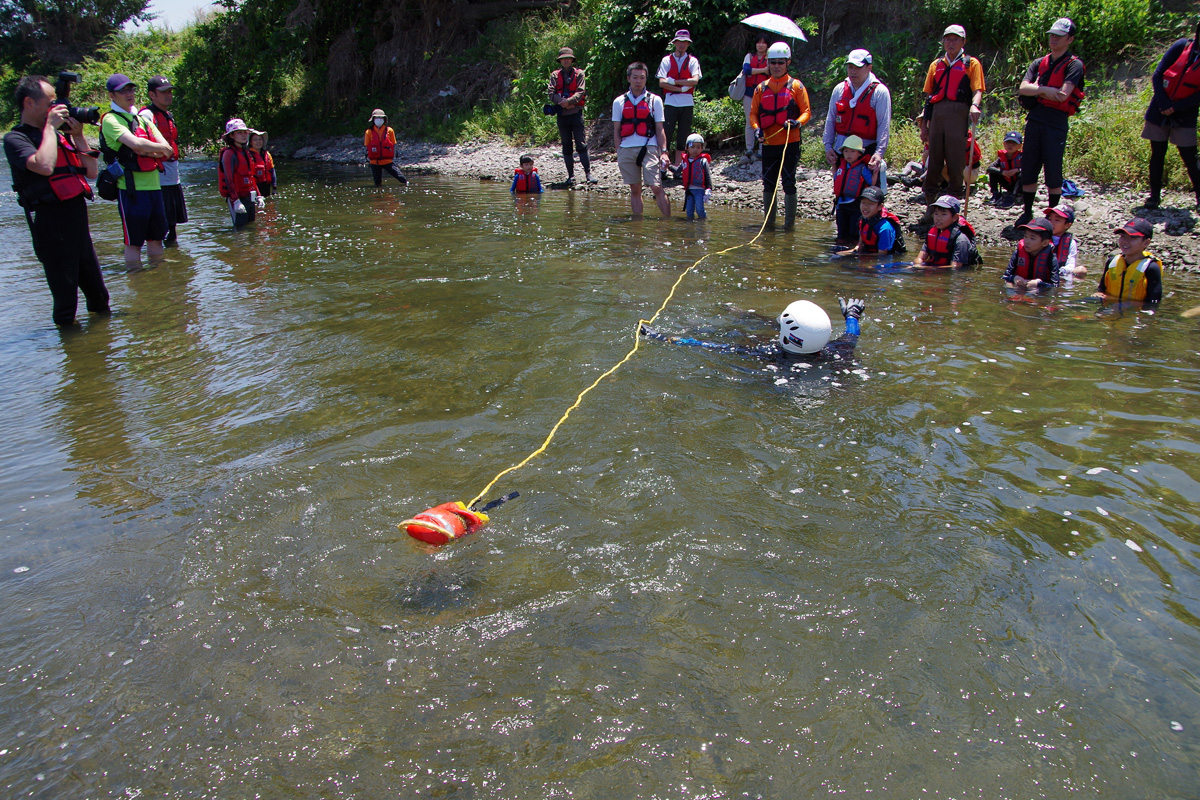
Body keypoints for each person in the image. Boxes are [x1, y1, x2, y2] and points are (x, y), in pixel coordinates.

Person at [4, 75, 109, 327]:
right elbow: (44, 165)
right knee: (65, 305)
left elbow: (91, 172)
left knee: (100, 298)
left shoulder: (59, 136)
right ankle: (72, 359)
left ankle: (102, 355)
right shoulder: (16, 139)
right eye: (51, 102)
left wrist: (79, 137)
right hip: (51, 226)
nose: (58, 108)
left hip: (77, 224)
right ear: (29, 103)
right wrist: (50, 129)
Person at [640, 297, 866, 365]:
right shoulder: (839, 351)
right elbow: (852, 333)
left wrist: (662, 337)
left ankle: (737, 312)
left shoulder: (771, 356)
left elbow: (712, 346)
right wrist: (852, 315)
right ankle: (739, 312)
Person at [1015, 18, 1085, 227]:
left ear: (1070, 39)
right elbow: (1022, 88)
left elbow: (1063, 95)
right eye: (1052, 35)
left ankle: (1052, 215)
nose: (1054, 39)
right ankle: (1027, 212)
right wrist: (1046, 90)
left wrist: (1037, 90)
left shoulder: (1074, 65)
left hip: (1056, 122)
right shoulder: (1039, 63)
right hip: (1036, 119)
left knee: (1053, 170)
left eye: (1059, 36)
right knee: (1029, 168)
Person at [99, 73, 174, 269]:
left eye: (131, 89)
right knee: (133, 243)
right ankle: (137, 282)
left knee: (156, 239)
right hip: (130, 189)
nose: (128, 94)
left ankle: (157, 279)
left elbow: (167, 149)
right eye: (122, 91)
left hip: (154, 187)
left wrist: (144, 149)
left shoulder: (143, 120)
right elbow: (135, 143)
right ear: (112, 96)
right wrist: (149, 149)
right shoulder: (110, 120)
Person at [919, 25, 985, 220]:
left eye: (956, 39)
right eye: (948, 39)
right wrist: (924, 125)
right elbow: (929, 97)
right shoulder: (935, 65)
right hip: (937, 116)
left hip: (958, 115)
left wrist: (975, 106)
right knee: (933, 163)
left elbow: (978, 90)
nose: (951, 42)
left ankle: (954, 211)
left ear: (963, 42)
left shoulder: (970, 64)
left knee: (956, 164)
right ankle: (930, 208)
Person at [749, 41, 811, 230]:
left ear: (787, 63)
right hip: (768, 144)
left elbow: (806, 111)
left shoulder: (797, 86)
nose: (776, 66)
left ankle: (789, 226)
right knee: (769, 185)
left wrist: (798, 122)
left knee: (789, 183)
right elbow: (753, 114)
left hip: (789, 144)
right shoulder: (761, 88)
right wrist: (756, 128)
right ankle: (768, 225)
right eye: (773, 62)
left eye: (780, 63)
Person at [1141, 20, 1200, 210]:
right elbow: (1157, 75)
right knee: (1157, 154)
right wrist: (1165, 104)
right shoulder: (1181, 46)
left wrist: (1176, 107)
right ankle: (1154, 197)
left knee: (1190, 157)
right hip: (1159, 108)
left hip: (1185, 113)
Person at [611, 61, 670, 217]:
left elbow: (659, 128)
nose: (638, 81)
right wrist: (619, 150)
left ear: (646, 79)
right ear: (629, 78)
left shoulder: (654, 100)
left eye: (642, 78)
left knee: (656, 186)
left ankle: (667, 222)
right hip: (626, 148)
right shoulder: (619, 102)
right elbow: (616, 129)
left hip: (649, 147)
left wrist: (664, 152)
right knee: (635, 188)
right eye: (635, 77)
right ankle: (637, 225)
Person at [823, 49, 892, 181]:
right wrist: (828, 147)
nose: (853, 71)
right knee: (842, 192)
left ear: (869, 68)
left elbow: (884, 125)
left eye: (858, 68)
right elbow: (830, 119)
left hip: (867, 150)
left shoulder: (879, 92)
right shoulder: (840, 89)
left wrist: (879, 153)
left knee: (867, 196)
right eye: (850, 67)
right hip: (842, 149)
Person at [138, 75, 187, 245]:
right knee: (163, 222)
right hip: (158, 174)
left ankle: (174, 257)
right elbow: (141, 144)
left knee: (173, 223)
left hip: (172, 173)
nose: (169, 95)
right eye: (164, 92)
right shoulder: (146, 114)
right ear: (152, 95)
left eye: (170, 92)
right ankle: (161, 259)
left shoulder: (168, 114)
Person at [656, 29, 701, 176]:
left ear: (688, 44)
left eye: (685, 42)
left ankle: (678, 167)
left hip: (687, 103)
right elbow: (662, 82)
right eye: (679, 42)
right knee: (667, 135)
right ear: (674, 43)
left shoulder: (693, 61)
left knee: (683, 136)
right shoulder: (666, 60)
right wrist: (682, 87)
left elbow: (695, 80)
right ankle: (663, 166)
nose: (682, 45)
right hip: (670, 102)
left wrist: (674, 83)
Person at [547, 46, 593, 185]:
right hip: (562, 115)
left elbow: (580, 92)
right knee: (566, 145)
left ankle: (588, 174)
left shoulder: (579, 74)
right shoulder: (555, 75)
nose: (566, 61)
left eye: (568, 58)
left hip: (575, 113)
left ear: (572, 60)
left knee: (581, 144)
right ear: (560, 61)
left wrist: (568, 101)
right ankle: (571, 176)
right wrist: (562, 103)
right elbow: (551, 92)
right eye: (563, 59)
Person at [1092, 218, 1163, 306]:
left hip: (1134, 314)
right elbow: (1101, 290)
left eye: (1132, 237)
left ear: (1146, 243)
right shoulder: (1112, 262)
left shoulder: (1151, 268)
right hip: (1110, 311)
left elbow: (1153, 303)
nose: (1125, 241)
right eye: (1123, 236)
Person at [913, 194, 980, 269]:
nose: (938, 218)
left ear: (955, 217)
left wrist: (929, 269)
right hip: (934, 269)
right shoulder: (932, 234)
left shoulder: (961, 240)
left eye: (943, 214)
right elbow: (920, 257)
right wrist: (917, 264)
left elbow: (955, 267)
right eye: (936, 213)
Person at [832, 134, 876, 244]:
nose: (848, 154)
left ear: (859, 153)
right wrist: (833, 166)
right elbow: (836, 178)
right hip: (841, 204)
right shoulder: (842, 165)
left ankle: (853, 251)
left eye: (852, 151)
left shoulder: (862, 168)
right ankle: (839, 250)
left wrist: (875, 171)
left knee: (854, 231)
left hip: (855, 204)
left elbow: (872, 183)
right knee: (841, 231)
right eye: (846, 151)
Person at [218, 118, 261, 229]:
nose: (243, 135)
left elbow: (251, 177)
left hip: (249, 197)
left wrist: (259, 196)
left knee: (251, 227)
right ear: (231, 136)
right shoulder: (229, 154)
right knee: (240, 229)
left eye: (245, 132)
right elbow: (229, 179)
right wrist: (236, 201)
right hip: (237, 198)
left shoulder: (246, 152)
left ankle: (252, 247)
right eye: (239, 133)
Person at [839, 186, 905, 256]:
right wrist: (847, 253)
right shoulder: (863, 220)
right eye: (863, 202)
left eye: (870, 203)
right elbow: (860, 246)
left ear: (880, 206)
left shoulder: (885, 228)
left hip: (887, 260)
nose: (865, 206)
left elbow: (882, 255)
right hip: (869, 254)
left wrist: (860, 257)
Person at [1002, 217, 1059, 292]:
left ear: (1045, 243)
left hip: (1038, 291)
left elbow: (1055, 285)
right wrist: (1014, 278)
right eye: (1025, 236)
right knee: (1008, 285)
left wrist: (1039, 284)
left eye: (1032, 238)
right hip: (1020, 287)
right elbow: (1005, 276)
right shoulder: (1018, 252)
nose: (1027, 241)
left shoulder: (1051, 258)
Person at [739, 34, 771, 164]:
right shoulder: (749, 56)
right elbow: (746, 70)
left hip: (764, 92)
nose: (761, 45)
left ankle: (762, 150)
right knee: (749, 121)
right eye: (759, 42)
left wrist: (759, 70)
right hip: (748, 92)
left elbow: (770, 72)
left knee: (763, 121)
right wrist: (763, 70)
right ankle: (749, 149)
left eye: (764, 43)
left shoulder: (769, 57)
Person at [364, 108, 407, 186]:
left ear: (384, 119)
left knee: (403, 179)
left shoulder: (389, 130)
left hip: (388, 161)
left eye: (381, 118)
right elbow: (367, 146)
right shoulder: (368, 132)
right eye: (377, 118)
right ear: (373, 119)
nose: (379, 120)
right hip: (375, 162)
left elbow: (393, 144)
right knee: (377, 183)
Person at [1044, 204, 1086, 278]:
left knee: (1081, 270)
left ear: (1067, 225)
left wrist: (1062, 271)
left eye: (1057, 220)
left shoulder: (1071, 243)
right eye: (1049, 219)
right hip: (1043, 271)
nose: (1051, 223)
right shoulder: (1041, 237)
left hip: (1061, 273)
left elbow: (1071, 264)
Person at [985, 131, 1023, 208]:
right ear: (1004, 144)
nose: (1010, 145)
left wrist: (1017, 170)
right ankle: (995, 194)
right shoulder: (1001, 158)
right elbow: (989, 168)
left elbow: (1029, 169)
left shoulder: (1022, 157)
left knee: (1022, 174)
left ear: (1020, 146)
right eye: (1008, 142)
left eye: (1014, 143)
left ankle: (1013, 197)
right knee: (993, 172)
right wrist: (1003, 172)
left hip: (1019, 186)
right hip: (1007, 183)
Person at [679, 132, 712, 220]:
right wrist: (668, 166)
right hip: (689, 190)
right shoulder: (684, 161)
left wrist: (709, 188)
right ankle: (690, 228)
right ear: (687, 148)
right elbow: (677, 171)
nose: (695, 150)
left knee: (700, 209)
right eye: (692, 147)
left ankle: (703, 225)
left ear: (702, 148)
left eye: (698, 147)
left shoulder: (703, 161)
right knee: (689, 211)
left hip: (699, 189)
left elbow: (707, 175)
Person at [248, 131, 276, 197]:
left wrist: (274, 187)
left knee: (268, 206)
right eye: (255, 140)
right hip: (254, 188)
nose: (258, 141)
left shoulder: (267, 154)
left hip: (266, 186)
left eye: (260, 139)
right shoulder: (248, 155)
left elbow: (272, 171)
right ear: (251, 142)